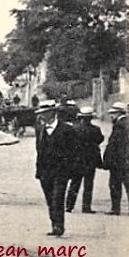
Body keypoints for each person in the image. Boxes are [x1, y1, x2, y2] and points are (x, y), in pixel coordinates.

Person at [34, 100, 78, 236]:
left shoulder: (67, 130)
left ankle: (59, 226)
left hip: (61, 172)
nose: (41, 116)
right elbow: (39, 151)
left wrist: (70, 170)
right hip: (45, 172)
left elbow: (73, 152)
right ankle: (54, 225)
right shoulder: (40, 130)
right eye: (40, 113)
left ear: (52, 113)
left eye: (44, 113)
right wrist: (39, 171)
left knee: (57, 198)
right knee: (50, 200)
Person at [66, 106, 104, 213]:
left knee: (74, 183)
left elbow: (69, 143)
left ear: (81, 117)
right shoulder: (96, 130)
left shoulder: (74, 129)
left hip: (77, 160)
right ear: (91, 118)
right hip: (90, 160)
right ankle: (86, 207)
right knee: (88, 184)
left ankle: (69, 205)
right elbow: (100, 139)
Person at [102, 102, 129, 215]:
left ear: (119, 113)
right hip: (125, 160)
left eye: (113, 113)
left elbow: (114, 145)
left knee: (115, 185)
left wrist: (108, 159)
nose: (111, 116)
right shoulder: (126, 123)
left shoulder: (120, 125)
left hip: (118, 161)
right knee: (128, 184)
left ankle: (115, 208)